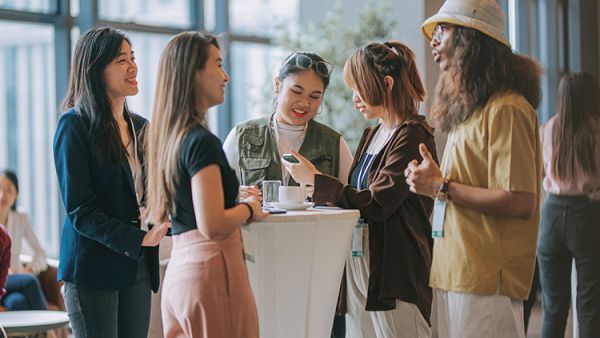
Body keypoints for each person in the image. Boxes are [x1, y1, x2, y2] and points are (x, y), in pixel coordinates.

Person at [405, 0, 543, 337]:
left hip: (485, 275)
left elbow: (522, 200)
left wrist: (441, 186)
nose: (434, 40)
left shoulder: (507, 108)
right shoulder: (471, 112)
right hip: (455, 267)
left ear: (471, 39)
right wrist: (433, 181)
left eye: (444, 30)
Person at [284, 40, 435, 338]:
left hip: (394, 269)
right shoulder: (373, 133)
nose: (354, 98)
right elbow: (357, 196)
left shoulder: (413, 134)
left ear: (387, 84)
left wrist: (316, 181)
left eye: (359, 87)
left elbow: (378, 202)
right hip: (360, 261)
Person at [143, 31, 268, 338]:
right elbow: (212, 223)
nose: (225, 75)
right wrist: (250, 208)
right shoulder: (201, 142)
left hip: (180, 273)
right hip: (212, 272)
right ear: (193, 73)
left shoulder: (171, 139)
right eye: (218, 64)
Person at [222, 51, 353, 337]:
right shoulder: (242, 136)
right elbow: (215, 199)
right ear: (278, 85)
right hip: (258, 264)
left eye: (315, 96)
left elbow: (351, 199)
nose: (304, 103)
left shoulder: (334, 143)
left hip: (316, 265)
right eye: (297, 90)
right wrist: (233, 196)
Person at [53, 27, 170, 338]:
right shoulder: (74, 125)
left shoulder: (142, 127)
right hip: (92, 269)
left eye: (132, 57)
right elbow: (81, 210)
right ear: (95, 69)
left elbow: (151, 192)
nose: (133, 66)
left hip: (138, 267)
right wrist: (137, 238)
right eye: (121, 60)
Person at [537, 71, 600, 338]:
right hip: (586, 215)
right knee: (588, 306)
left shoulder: (549, 128)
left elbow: (541, 172)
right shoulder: (596, 129)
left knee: (553, 308)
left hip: (551, 216)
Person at [0, 170, 47, 311]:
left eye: (9, 190)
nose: (3, 195)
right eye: (0, 188)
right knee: (30, 281)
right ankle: (50, 331)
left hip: (15, 280)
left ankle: (42, 332)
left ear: (17, 194)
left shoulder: (20, 217)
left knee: (17, 303)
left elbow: (39, 252)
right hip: (4, 280)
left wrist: (30, 269)